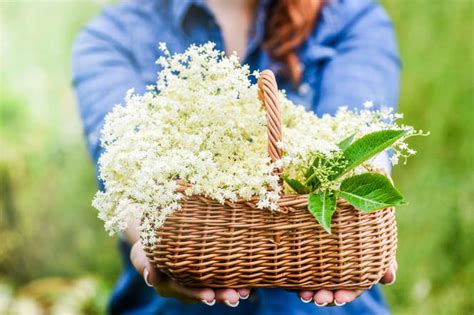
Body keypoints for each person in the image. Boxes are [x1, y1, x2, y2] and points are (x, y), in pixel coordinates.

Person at [72, 0, 400, 314]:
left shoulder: (350, 21)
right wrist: (153, 239)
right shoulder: (112, 38)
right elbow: (124, 170)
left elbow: (361, 147)